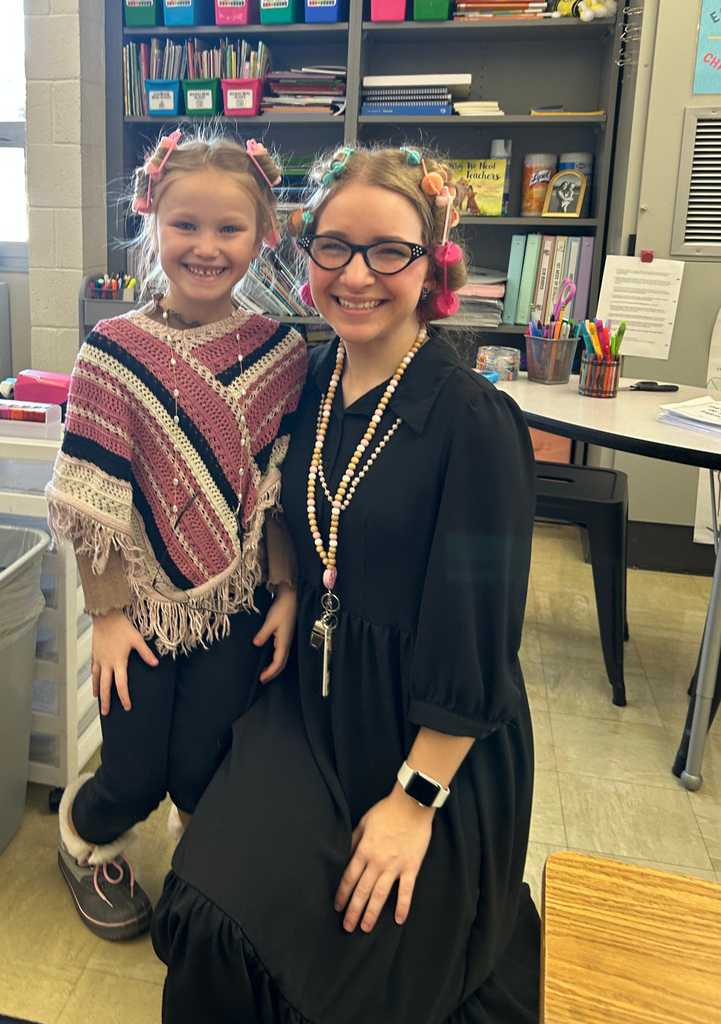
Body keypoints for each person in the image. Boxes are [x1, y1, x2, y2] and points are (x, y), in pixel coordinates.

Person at [150, 143, 540, 1023]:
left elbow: (478, 635)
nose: (356, 275)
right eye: (334, 247)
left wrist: (414, 802)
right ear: (305, 253)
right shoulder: (309, 374)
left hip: (430, 733)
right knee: (211, 911)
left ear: (433, 266)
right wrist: (289, 590)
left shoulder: (475, 423)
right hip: (314, 700)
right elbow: (283, 512)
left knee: (353, 963)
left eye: (388, 251)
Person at [45, 128, 307, 941]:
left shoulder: (282, 352)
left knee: (204, 764)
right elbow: (93, 500)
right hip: (140, 610)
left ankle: (202, 868)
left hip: (234, 601)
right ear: (152, 219)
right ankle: (86, 840)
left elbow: (277, 492)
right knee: (133, 769)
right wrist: (111, 616)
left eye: (229, 228)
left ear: (264, 235)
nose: (205, 246)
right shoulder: (112, 352)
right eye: (185, 224)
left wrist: (289, 589)